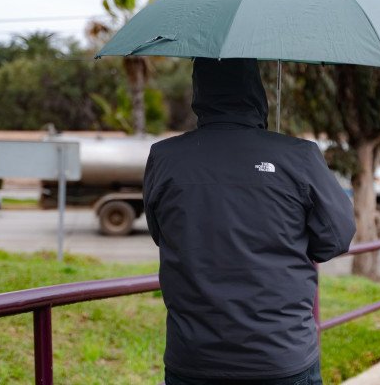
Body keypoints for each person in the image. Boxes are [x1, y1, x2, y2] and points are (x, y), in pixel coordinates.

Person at [143, 58, 356, 385]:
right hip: (281, 354)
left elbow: (162, 233)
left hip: (194, 357)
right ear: (257, 92)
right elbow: (336, 239)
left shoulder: (165, 157)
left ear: (199, 92)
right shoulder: (298, 155)